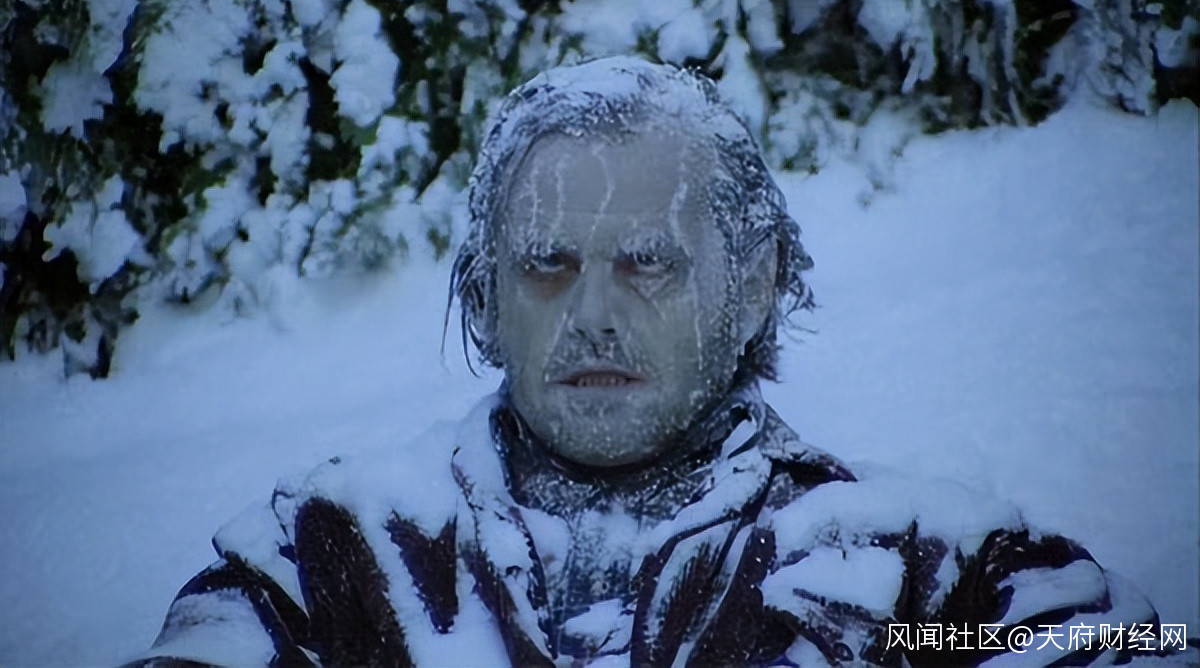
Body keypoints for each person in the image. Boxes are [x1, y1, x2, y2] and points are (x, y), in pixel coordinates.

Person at [133, 57, 1170, 667]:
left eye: (648, 262)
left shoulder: (925, 572)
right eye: (546, 264)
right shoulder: (335, 554)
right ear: (485, 296)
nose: (592, 316)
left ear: (755, 283)